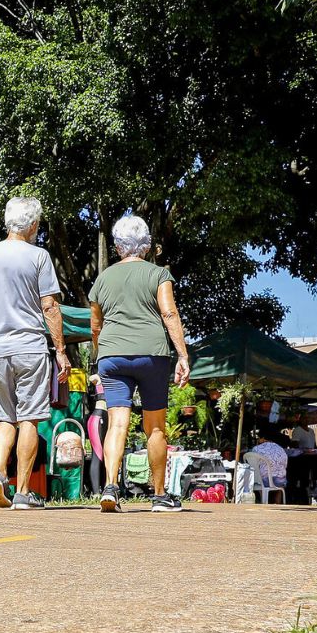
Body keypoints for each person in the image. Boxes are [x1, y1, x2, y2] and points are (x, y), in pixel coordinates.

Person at [0, 196, 69, 510]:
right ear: (34, 225)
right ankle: (24, 493)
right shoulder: (39, 256)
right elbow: (50, 306)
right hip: (30, 348)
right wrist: (61, 351)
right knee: (29, 419)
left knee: (3, 417)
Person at [87, 215, 190, 513]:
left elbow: (95, 325)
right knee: (155, 426)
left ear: (118, 246)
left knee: (117, 421)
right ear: (145, 246)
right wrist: (182, 355)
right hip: (152, 355)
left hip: (112, 356)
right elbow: (170, 315)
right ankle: (159, 496)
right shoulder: (159, 274)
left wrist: (101, 354)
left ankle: (110, 487)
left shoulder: (103, 278)